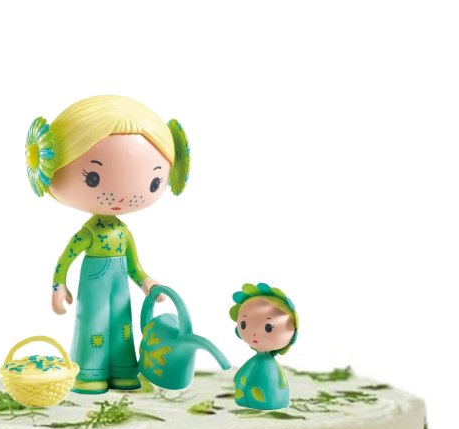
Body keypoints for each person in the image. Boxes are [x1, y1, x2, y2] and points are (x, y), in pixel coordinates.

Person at [24, 95, 190, 395]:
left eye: (154, 182)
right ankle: (90, 372)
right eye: (93, 177)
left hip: (119, 284)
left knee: (122, 325)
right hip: (94, 283)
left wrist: (145, 280)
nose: (123, 198)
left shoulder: (123, 232)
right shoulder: (88, 233)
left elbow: (134, 264)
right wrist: (58, 286)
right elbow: (66, 258)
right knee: (93, 322)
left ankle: (123, 369)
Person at [229, 283, 299, 410]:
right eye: (243, 324)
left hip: (272, 402)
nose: (254, 333)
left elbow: (280, 382)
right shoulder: (256, 361)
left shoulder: (271, 365)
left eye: (268, 327)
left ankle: (262, 401)